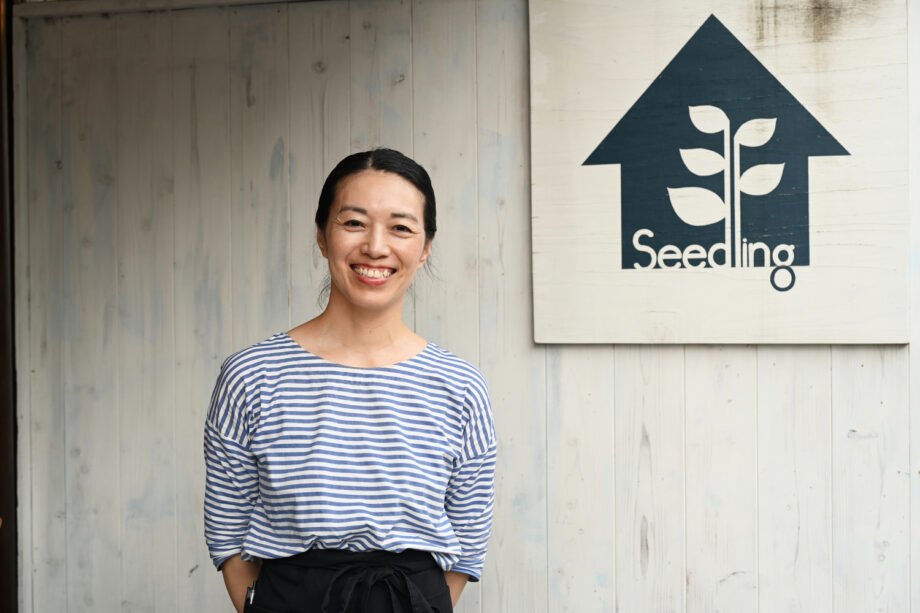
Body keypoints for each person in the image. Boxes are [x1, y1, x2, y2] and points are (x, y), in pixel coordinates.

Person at [204, 148, 496, 613]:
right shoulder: (252, 374)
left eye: (401, 228)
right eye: (354, 222)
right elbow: (227, 525)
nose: (376, 247)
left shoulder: (460, 385)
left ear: (425, 247)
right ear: (322, 236)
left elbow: (468, 538)